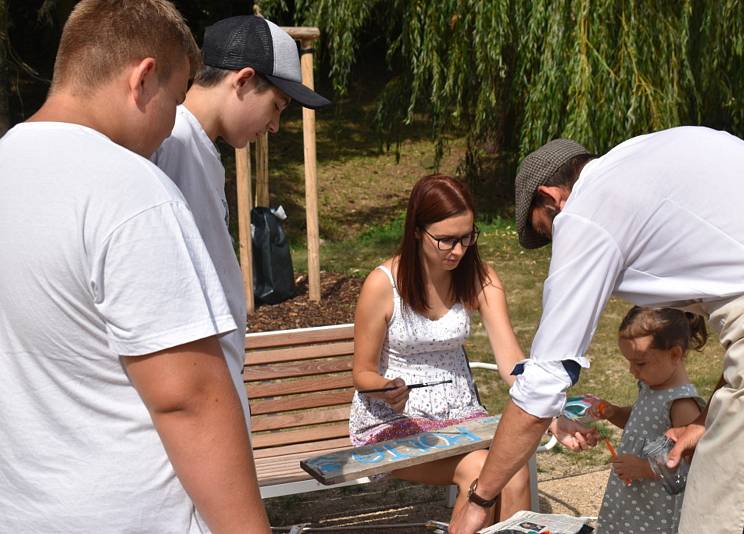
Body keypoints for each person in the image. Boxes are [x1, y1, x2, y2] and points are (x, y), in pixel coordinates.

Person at [0, 2, 270, 533]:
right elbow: (188, 400)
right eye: (175, 99)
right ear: (143, 78)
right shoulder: (129, 190)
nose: (173, 124)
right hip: (136, 515)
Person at [450, 126, 744, 534]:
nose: (557, 244)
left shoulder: (585, 212)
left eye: (547, 231)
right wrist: (707, 420)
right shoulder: (653, 155)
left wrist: (479, 500)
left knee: (719, 519)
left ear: (551, 197)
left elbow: (542, 384)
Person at [152, 15, 330, 426]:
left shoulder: (195, 146)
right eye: (276, 107)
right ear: (244, 80)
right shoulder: (173, 143)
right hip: (196, 401)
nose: (274, 126)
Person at [349, 174, 531, 526]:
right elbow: (362, 373)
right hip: (395, 420)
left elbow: (512, 362)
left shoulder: (480, 277)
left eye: (466, 237)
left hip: (462, 415)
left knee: (515, 472)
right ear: (417, 231)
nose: (459, 251)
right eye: (446, 240)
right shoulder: (382, 284)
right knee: (484, 472)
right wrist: (386, 388)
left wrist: (546, 402)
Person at [589, 307, 705, 533]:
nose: (632, 370)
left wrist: (644, 468)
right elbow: (639, 422)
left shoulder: (681, 403)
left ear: (674, 354)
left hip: (656, 508)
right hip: (634, 499)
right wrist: (614, 412)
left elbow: (687, 466)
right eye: (629, 362)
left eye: (640, 363)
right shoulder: (650, 387)